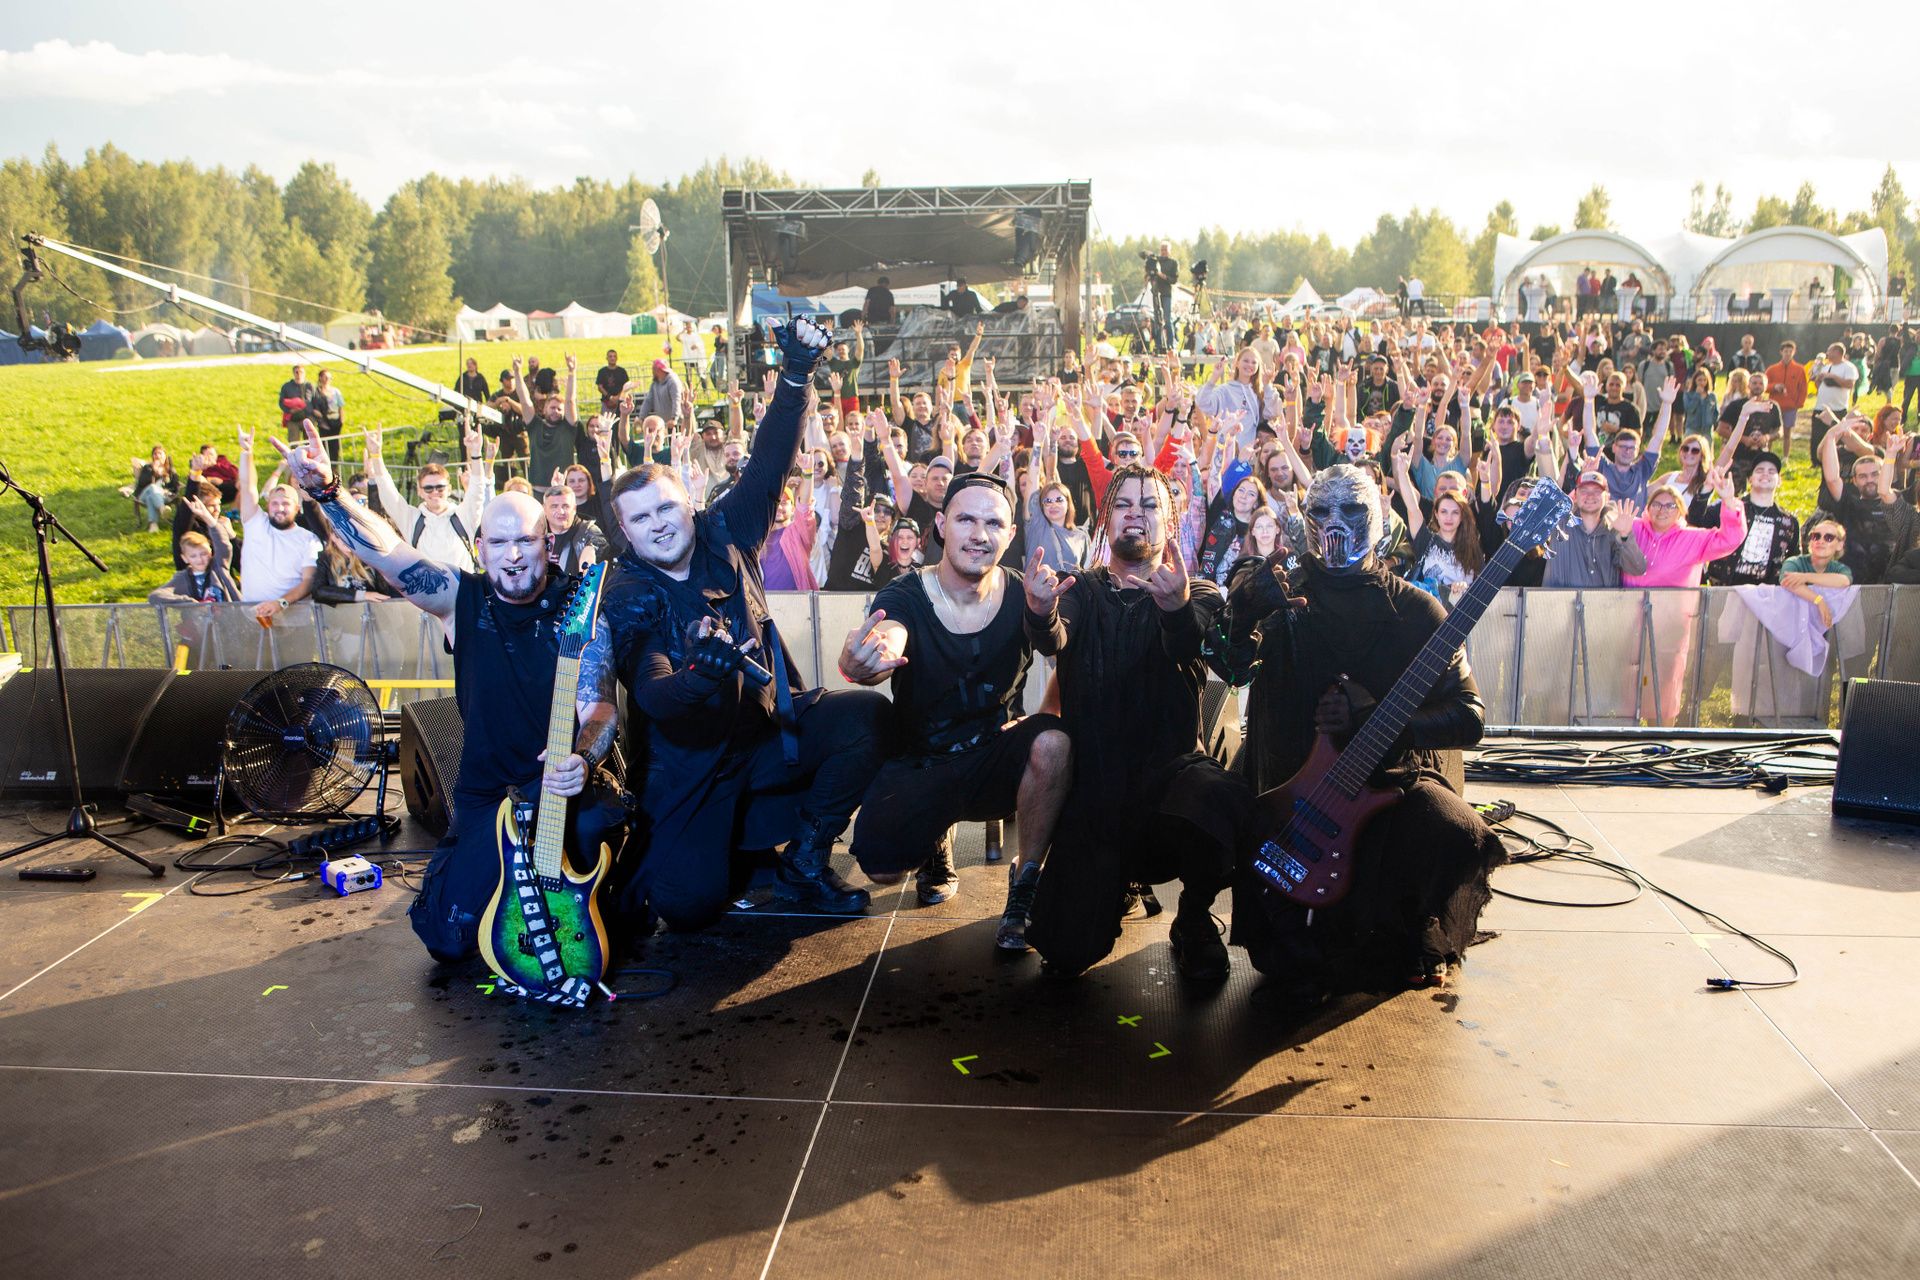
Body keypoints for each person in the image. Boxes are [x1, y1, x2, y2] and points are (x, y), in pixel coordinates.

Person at [268, 420, 624, 969]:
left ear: (547, 543)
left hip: (560, 786)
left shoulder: (580, 606)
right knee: (447, 942)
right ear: (480, 547)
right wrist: (328, 492)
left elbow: (598, 703)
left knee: (599, 856)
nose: (512, 555)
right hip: (488, 793)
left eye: (525, 541)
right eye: (498, 542)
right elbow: (390, 553)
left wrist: (583, 756)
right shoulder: (461, 597)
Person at [586, 317, 891, 930]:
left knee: (868, 718)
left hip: (766, 738)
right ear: (626, 532)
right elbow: (653, 692)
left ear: (690, 505)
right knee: (686, 907)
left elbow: (769, 462)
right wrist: (701, 674)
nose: (659, 524)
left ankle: (804, 862)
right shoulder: (627, 593)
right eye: (641, 519)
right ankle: (740, 856)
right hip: (690, 769)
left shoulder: (725, 529)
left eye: (666, 507)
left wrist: (797, 374)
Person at [1224, 463, 1503, 1001]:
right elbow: (1228, 669)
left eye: (1351, 511)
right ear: (1304, 518)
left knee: (1457, 836)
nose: (1335, 524)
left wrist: (1383, 721)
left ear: (1377, 518)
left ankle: (1416, 922)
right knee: (1287, 959)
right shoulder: (1278, 593)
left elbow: (1469, 715)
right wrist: (1241, 615)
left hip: (1387, 790)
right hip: (1288, 795)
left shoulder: (1416, 609)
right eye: (1321, 511)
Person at [1020, 464, 1252, 981]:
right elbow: (1053, 636)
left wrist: (1175, 608)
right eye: (1124, 504)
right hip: (1095, 793)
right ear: (1106, 517)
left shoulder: (1199, 593)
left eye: (1149, 506)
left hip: (1169, 786)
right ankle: (1112, 887)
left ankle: (1193, 917)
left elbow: (1191, 644)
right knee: (1063, 951)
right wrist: (1039, 610)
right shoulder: (1079, 588)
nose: (1136, 514)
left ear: (1170, 522)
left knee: (1223, 795)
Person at [838, 475, 1073, 948]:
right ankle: (934, 842)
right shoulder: (906, 593)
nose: (979, 534)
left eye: (993, 524)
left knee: (1053, 741)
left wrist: (1045, 712)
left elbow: (1061, 654)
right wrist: (864, 661)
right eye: (966, 519)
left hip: (994, 756)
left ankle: (1026, 883)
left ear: (1010, 534)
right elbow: (889, 635)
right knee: (881, 867)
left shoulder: (1024, 594)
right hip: (923, 761)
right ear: (942, 526)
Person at [367, 427, 488, 573]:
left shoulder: (463, 515)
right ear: (420, 492)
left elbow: (477, 490)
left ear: (449, 489)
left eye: (440, 487)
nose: (435, 492)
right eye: (428, 488)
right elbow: (389, 494)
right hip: (426, 587)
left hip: (464, 586)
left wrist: (476, 453)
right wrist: (376, 455)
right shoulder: (411, 518)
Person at [234, 426, 320, 621]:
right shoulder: (255, 523)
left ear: (296, 508)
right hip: (253, 618)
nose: (279, 508)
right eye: (275, 503)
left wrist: (280, 603)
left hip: (293, 622)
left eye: (285, 503)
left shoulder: (309, 539)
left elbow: (308, 581)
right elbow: (248, 487)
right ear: (267, 506)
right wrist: (246, 452)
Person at [1817, 426, 1919, 584]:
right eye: (1863, 476)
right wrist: (1831, 436)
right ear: (1854, 480)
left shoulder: (1904, 501)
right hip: (1855, 583)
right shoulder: (1849, 504)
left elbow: (1885, 491)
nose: (1869, 480)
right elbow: (1832, 479)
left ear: (1885, 475)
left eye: (1875, 474)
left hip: (1895, 583)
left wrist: (1891, 454)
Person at [1542, 470, 1647, 588]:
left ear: (1607, 497)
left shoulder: (1614, 530)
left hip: (1604, 600)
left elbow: (1637, 569)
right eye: (1584, 491)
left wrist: (1625, 536)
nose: (1590, 496)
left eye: (1597, 491)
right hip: (1560, 599)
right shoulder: (1557, 522)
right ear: (1575, 496)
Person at [1709, 452, 1799, 586]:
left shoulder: (1789, 522)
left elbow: (1794, 561)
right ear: (1750, 479)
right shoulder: (1729, 507)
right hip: (1725, 588)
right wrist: (1707, 487)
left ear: (1779, 480)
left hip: (1766, 592)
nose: (1765, 474)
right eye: (1760, 470)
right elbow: (1696, 522)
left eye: (1771, 471)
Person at [147, 500, 239, 604]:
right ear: (185, 558)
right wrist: (189, 603)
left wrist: (208, 518)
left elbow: (223, 545)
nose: (200, 559)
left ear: (210, 552)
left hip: (228, 613)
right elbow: (155, 596)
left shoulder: (218, 566)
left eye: (203, 554)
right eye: (193, 556)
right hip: (198, 614)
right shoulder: (182, 578)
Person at [514, 354, 581, 494]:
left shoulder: (568, 427)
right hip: (538, 491)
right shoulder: (534, 426)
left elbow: (570, 400)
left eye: (559, 409)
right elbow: (525, 401)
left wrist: (572, 371)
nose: (555, 411)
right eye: (552, 408)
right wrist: (517, 372)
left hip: (563, 491)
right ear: (544, 409)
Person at [1765, 340, 1808, 454]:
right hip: (1774, 406)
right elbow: (1764, 386)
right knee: (1770, 431)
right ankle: (1766, 453)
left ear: (1794, 352)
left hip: (1790, 406)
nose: (1788, 354)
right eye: (1785, 351)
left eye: (1790, 351)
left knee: (1787, 432)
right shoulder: (1772, 369)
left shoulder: (1800, 369)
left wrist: (1798, 403)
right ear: (1781, 352)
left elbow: (1803, 388)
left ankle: (1785, 457)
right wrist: (1774, 386)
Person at [133, 444, 179, 533]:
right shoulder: (147, 468)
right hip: (144, 494)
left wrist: (166, 490)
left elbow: (175, 484)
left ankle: (153, 524)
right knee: (152, 487)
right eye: (155, 454)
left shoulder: (169, 470)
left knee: (150, 497)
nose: (157, 455)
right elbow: (141, 482)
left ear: (165, 456)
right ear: (152, 456)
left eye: (160, 453)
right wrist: (153, 471)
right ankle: (162, 509)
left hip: (163, 495)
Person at [1144, 242, 1179, 354]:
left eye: (1165, 250)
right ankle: (1158, 343)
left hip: (1166, 293)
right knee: (1156, 319)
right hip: (1156, 292)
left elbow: (1174, 280)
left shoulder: (1173, 263)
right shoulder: (1157, 260)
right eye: (1162, 250)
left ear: (1169, 251)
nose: (1163, 252)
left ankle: (1170, 343)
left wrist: (1161, 275)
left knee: (1167, 319)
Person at [636, 357, 684, 427]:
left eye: (653, 370)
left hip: (676, 424)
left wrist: (674, 418)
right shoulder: (655, 384)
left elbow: (677, 400)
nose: (652, 372)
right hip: (663, 424)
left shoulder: (673, 382)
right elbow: (648, 401)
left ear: (659, 371)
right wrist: (641, 417)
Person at [310, 369, 344, 461]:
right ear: (320, 378)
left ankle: (334, 463)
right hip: (323, 421)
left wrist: (341, 419)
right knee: (324, 443)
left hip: (335, 419)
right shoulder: (316, 392)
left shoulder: (336, 391)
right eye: (325, 377)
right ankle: (325, 461)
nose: (327, 380)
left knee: (334, 443)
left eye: (329, 378)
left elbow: (340, 406)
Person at [277, 364, 316, 437]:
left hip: (308, 417)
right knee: (294, 441)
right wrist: (289, 410)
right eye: (296, 372)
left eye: (301, 372)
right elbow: (281, 402)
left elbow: (315, 400)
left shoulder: (310, 386)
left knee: (310, 441)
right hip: (293, 418)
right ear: (293, 373)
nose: (299, 374)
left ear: (304, 373)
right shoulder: (286, 386)